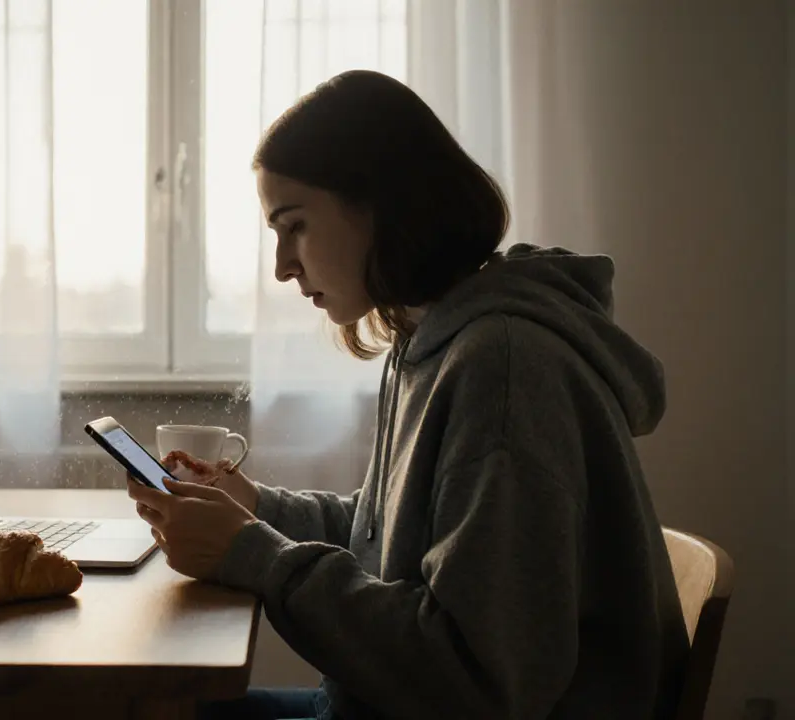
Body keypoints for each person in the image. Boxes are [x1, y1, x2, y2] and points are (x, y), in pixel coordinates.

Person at [127, 70, 688, 720]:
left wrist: (251, 555)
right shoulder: (434, 339)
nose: (282, 264)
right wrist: (254, 507)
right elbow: (388, 542)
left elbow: (476, 678)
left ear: (379, 207)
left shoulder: (500, 370)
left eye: (295, 226)